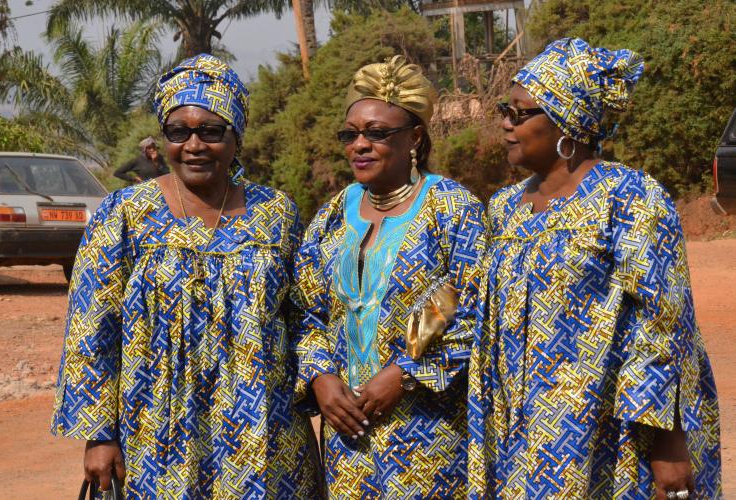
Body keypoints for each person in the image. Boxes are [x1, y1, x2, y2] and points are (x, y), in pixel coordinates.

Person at [51, 53, 319, 498]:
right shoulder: (126, 214)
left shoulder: (276, 214)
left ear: (236, 136)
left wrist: (319, 381)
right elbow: (91, 328)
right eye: (179, 132)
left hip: (265, 431)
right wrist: (99, 434)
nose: (194, 145)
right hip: (156, 431)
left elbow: (306, 316)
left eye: (211, 131)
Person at [467, 38, 721, 499]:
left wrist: (666, 442)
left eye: (519, 113)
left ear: (567, 123)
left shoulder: (629, 197)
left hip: (609, 432)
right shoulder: (504, 208)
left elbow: (663, 324)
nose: (505, 123)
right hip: (518, 436)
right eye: (505, 110)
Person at [292, 55, 486, 498]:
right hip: (347, 438)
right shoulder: (332, 216)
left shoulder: (451, 209)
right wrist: (321, 378)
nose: (359, 145)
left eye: (377, 133)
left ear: (414, 137)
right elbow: (306, 311)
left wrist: (404, 374)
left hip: (428, 434)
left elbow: (470, 308)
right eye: (350, 134)